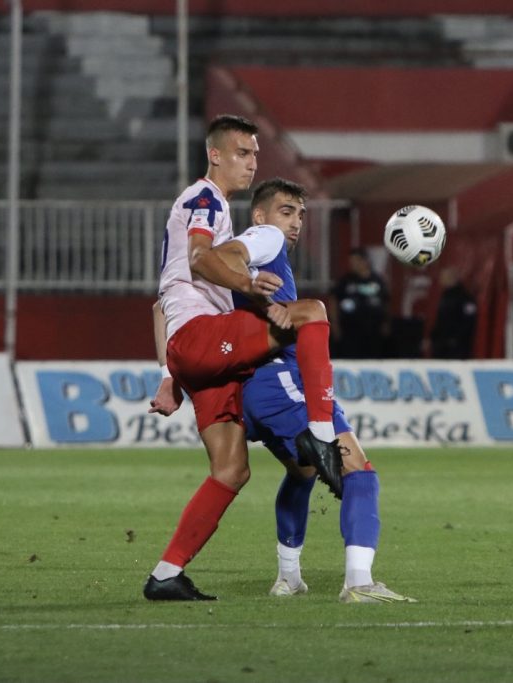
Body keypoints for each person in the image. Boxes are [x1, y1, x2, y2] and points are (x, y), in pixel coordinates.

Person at [156, 178, 416, 603]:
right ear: (260, 215)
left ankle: (289, 578)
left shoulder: (232, 264)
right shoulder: (264, 237)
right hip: (280, 381)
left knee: (303, 473)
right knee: (360, 475)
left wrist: (167, 375)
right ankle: (359, 582)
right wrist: (253, 275)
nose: (294, 223)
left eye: (300, 214)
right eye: (285, 211)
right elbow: (224, 255)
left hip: (251, 390)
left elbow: (162, 304)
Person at [143, 115, 344, 602]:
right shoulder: (204, 198)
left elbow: (158, 304)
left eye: (255, 154)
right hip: (201, 337)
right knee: (311, 312)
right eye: (243, 153)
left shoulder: (216, 209)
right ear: (215, 155)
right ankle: (320, 434)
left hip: (194, 352)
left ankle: (166, 573)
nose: (252, 163)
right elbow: (197, 258)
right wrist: (247, 284)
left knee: (231, 470)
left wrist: (170, 375)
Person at [328, 247, 390, 358]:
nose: (353, 265)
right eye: (351, 262)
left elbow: (386, 303)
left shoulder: (377, 281)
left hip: (373, 330)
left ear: (365, 261)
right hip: (350, 330)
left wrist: (386, 323)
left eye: (355, 261)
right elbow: (333, 301)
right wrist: (335, 325)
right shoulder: (345, 281)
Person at [428, 266, 477, 359]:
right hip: (442, 345)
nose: (441, 280)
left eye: (444, 277)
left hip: (457, 347)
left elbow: (469, 321)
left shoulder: (464, 297)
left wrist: (455, 339)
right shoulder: (445, 296)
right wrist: (434, 337)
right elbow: (440, 320)